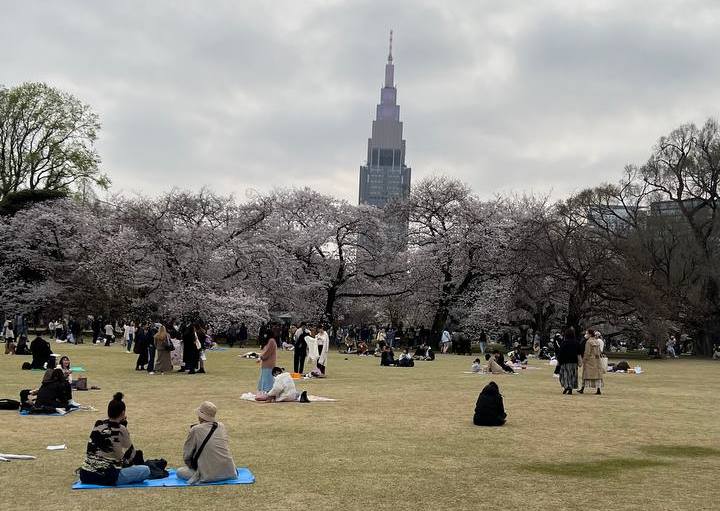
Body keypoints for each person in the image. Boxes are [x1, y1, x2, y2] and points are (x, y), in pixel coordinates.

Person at [78, 393, 150, 486]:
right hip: (107, 476)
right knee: (145, 470)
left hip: (86, 474)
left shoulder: (98, 424)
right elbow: (130, 456)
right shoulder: (121, 429)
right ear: (123, 413)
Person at [176, 401, 237, 484]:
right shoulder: (221, 426)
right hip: (229, 472)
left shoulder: (196, 429)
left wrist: (192, 466)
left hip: (208, 475)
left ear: (201, 416)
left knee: (179, 471)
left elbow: (187, 455)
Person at [579, 329, 605, 395]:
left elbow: (587, 352)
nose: (586, 335)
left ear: (590, 334)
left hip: (589, 360)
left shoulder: (588, 342)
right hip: (597, 360)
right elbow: (599, 351)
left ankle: (582, 389)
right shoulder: (597, 341)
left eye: (587, 333)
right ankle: (598, 389)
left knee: (586, 374)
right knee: (597, 375)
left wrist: (584, 360)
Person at [557, 328, 582, 395]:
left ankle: (566, 386)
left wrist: (558, 362)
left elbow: (560, 353)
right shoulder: (577, 343)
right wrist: (580, 362)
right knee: (572, 375)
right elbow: (579, 354)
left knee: (565, 375)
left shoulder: (564, 343)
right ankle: (570, 388)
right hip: (574, 362)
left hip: (565, 362)